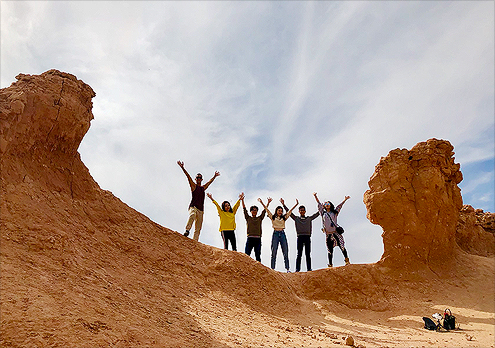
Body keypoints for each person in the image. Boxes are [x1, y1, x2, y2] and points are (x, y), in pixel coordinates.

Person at [177, 161, 220, 241]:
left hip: (201, 210)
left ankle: (195, 241)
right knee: (192, 215)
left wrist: (214, 176)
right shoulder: (194, 186)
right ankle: (187, 230)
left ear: (202, 179)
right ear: (196, 179)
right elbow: (188, 176)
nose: (199, 179)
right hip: (193, 207)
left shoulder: (203, 188)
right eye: (198, 178)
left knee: (198, 227)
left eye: (200, 178)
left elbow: (209, 182)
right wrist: (183, 168)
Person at [258, 197, 298, 272]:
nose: (280, 212)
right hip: (275, 234)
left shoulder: (284, 218)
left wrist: (296, 204)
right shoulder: (273, 217)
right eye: (279, 210)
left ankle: (287, 269)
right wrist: (263, 202)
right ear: (276, 211)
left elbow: (290, 211)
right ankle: (272, 269)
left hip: (282, 234)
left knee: (285, 252)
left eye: (281, 211)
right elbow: (266, 209)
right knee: (274, 252)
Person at [281, 199, 319, 272]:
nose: (302, 211)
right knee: (299, 254)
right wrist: (283, 205)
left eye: (303, 210)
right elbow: (289, 213)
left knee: (308, 254)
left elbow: (316, 215)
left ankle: (309, 269)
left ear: (305, 211)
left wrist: (322, 208)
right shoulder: (297, 219)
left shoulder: (308, 218)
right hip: (300, 236)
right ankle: (297, 269)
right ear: (299, 211)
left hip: (307, 237)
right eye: (301, 210)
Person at [314, 192, 350, 267]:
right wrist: (315, 196)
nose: (327, 205)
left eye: (328, 204)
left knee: (342, 246)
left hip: (335, 232)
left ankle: (347, 260)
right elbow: (319, 205)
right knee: (330, 250)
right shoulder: (323, 213)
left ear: (330, 205)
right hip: (328, 234)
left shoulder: (334, 213)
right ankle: (330, 264)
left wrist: (344, 200)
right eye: (325, 204)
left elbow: (339, 207)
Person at [241, 194, 270, 262]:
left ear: (257, 211)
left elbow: (264, 211)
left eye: (255, 210)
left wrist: (268, 203)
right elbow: (244, 209)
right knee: (247, 255)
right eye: (253, 210)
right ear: (251, 211)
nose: (254, 211)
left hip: (258, 239)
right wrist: (242, 200)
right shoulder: (248, 218)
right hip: (250, 238)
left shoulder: (260, 218)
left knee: (258, 255)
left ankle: (260, 271)